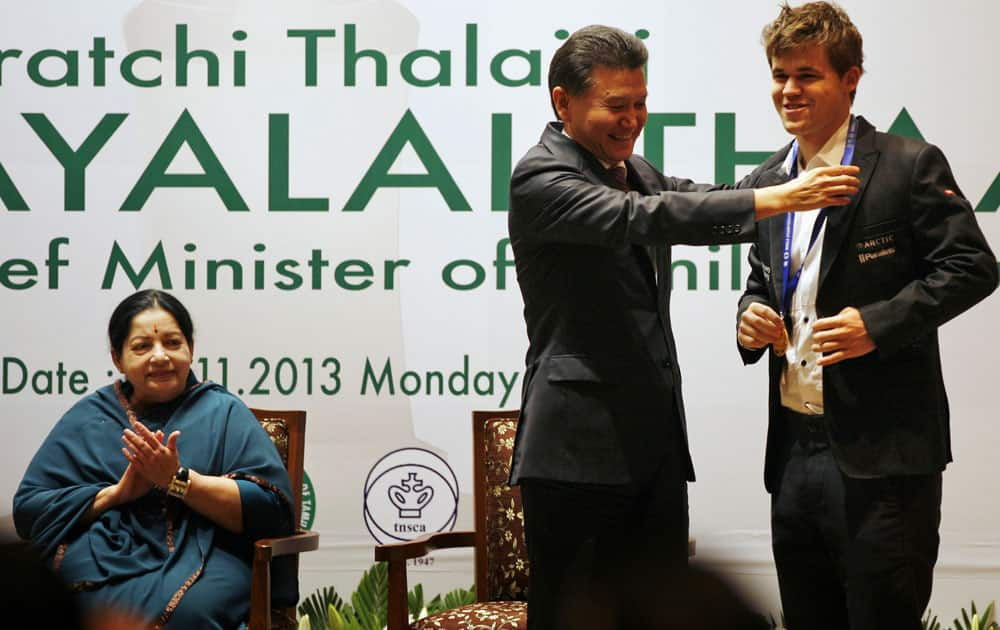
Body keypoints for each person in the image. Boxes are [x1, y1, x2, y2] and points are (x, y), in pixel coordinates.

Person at [507, 24, 861, 630]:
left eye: (641, 103)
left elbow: (708, 200)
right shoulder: (542, 177)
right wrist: (782, 198)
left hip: (655, 452)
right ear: (563, 102)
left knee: (661, 614)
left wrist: (808, 153)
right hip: (576, 457)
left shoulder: (633, 168)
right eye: (616, 106)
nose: (633, 119)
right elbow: (652, 216)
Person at [735, 3, 998, 628]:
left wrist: (875, 325)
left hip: (884, 460)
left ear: (850, 79)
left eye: (808, 75)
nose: (789, 91)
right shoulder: (770, 179)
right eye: (780, 75)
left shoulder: (909, 164)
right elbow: (763, 282)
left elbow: (972, 268)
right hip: (794, 455)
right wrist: (750, 315)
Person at [13, 289, 296, 629]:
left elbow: (270, 511)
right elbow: (29, 509)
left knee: (191, 611)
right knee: (57, 600)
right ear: (118, 359)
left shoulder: (223, 412)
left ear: (190, 350)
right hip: (104, 550)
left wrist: (177, 480)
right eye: (142, 346)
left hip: (206, 552)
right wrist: (116, 495)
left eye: (173, 343)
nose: (160, 357)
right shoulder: (92, 416)